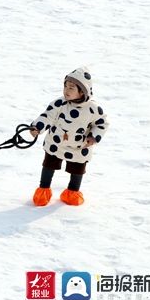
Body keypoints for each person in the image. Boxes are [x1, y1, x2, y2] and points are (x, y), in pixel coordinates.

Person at [29, 67, 108, 206]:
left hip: (79, 146)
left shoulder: (93, 109)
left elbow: (102, 123)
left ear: (82, 91)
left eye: (71, 88)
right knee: (49, 165)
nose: (66, 90)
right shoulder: (60, 103)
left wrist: (94, 136)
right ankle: (43, 190)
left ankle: (72, 192)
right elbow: (47, 116)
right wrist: (38, 127)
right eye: (65, 86)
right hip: (56, 142)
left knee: (77, 169)